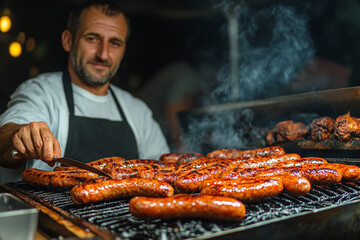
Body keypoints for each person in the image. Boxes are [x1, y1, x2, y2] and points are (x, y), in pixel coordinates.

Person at [0, 0, 169, 184]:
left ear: (123, 50)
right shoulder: (41, 92)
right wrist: (19, 135)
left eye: (115, 43)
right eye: (92, 38)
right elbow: (4, 143)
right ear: (68, 41)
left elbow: (163, 172)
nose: (103, 54)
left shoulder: (138, 111)